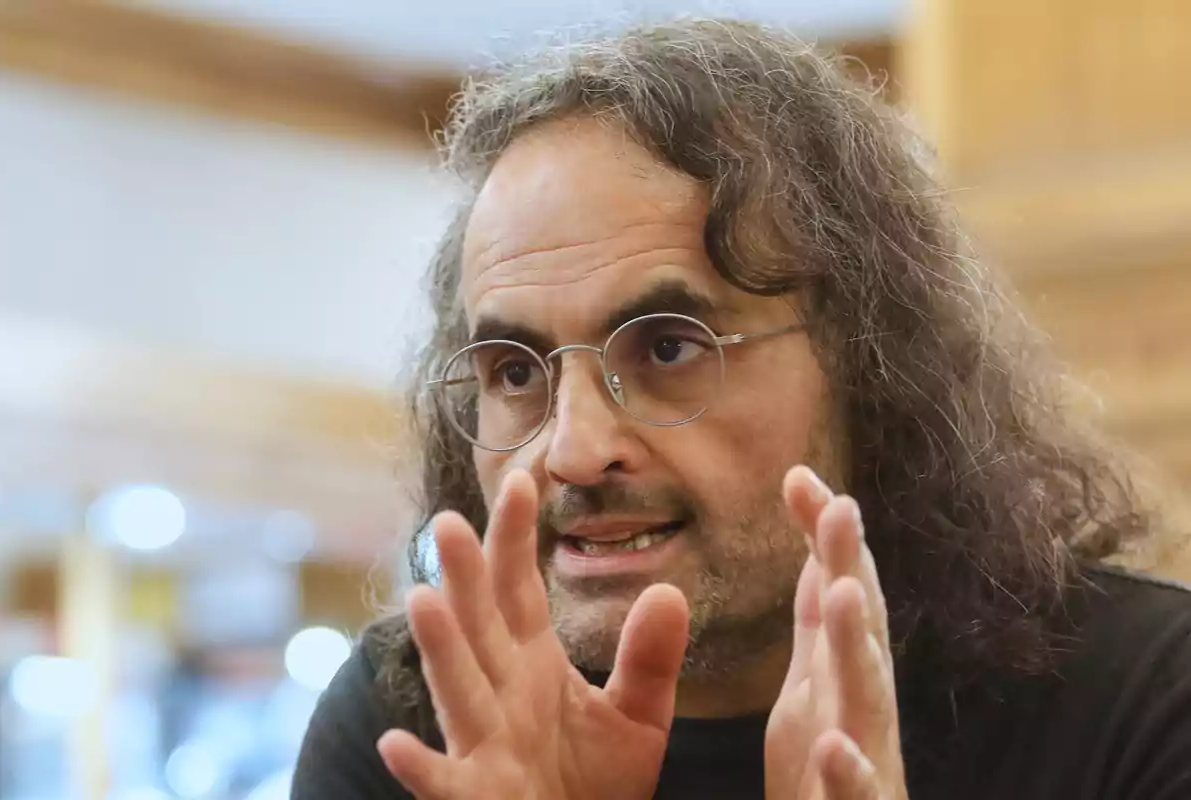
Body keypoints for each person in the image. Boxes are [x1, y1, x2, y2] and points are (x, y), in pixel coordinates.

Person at [290, 18, 1191, 800]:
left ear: (867, 367)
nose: (573, 448)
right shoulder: (413, 725)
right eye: (515, 372)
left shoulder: (1145, 698)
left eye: (669, 348)